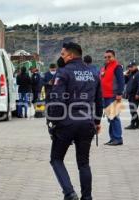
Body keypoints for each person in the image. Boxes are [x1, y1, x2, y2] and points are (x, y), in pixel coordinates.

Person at [47, 42, 103, 200]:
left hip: (67, 122)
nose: (61, 57)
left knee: (56, 159)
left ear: (70, 55)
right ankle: (87, 197)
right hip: (87, 122)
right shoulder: (93, 73)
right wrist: (97, 122)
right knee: (83, 163)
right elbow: (99, 100)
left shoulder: (63, 73)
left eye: (63, 54)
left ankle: (69, 193)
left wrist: (54, 123)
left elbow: (57, 100)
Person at [100, 49, 125, 146]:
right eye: (105, 57)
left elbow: (121, 81)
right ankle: (113, 138)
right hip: (105, 96)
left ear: (114, 57)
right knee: (110, 118)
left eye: (109, 57)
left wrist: (119, 93)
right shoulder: (104, 68)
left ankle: (118, 138)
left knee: (114, 117)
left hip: (113, 96)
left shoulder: (117, 67)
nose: (107, 58)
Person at [124, 62, 139, 129]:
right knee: (133, 110)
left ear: (135, 66)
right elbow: (125, 82)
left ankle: (133, 124)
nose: (130, 68)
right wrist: (126, 75)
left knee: (133, 110)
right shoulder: (130, 74)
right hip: (130, 95)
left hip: (135, 95)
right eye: (129, 67)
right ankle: (138, 124)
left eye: (131, 67)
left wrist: (138, 94)